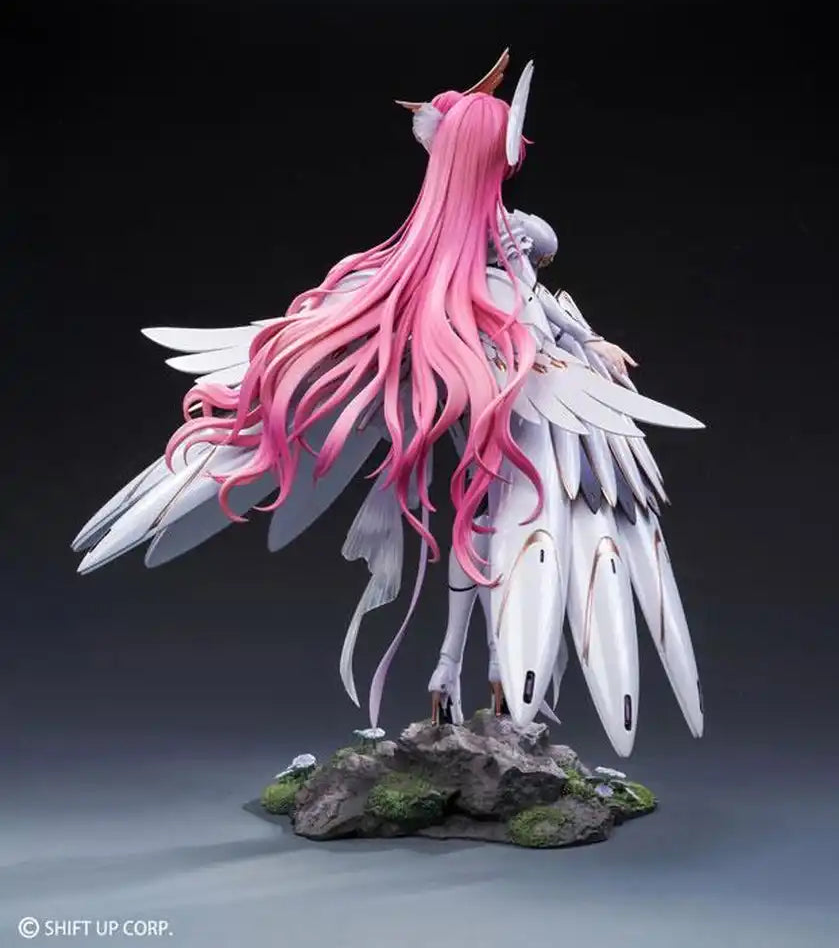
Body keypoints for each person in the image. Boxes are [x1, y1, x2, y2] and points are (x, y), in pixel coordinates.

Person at [72, 50, 704, 757]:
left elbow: (534, 296)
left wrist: (583, 338)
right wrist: (576, 342)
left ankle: (465, 667)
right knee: (498, 499)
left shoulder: (479, 245)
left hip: (483, 367)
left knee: (489, 504)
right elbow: (528, 299)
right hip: (484, 366)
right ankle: (481, 667)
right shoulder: (462, 255)